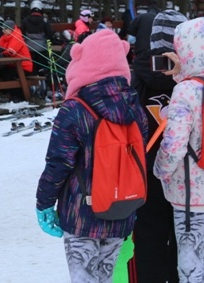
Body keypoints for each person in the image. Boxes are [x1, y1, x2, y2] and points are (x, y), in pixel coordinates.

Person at [36, 29, 149, 283]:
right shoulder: (135, 107)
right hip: (121, 208)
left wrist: (43, 203)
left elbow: (58, 164)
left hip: (81, 216)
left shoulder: (75, 109)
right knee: (106, 277)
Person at [154, 17, 204, 283]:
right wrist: (180, 75)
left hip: (189, 192)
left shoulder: (184, 92)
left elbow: (174, 145)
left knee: (188, 254)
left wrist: (159, 170)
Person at [128, 10, 187, 283]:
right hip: (185, 170)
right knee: (182, 237)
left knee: (148, 235)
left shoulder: (136, 72)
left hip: (143, 167)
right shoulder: (192, 74)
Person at [20, 0, 56, 76]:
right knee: (43, 66)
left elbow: (21, 33)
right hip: (42, 48)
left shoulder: (25, 20)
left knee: (32, 66)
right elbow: (50, 33)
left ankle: (32, 82)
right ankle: (42, 80)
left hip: (29, 48)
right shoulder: (44, 20)